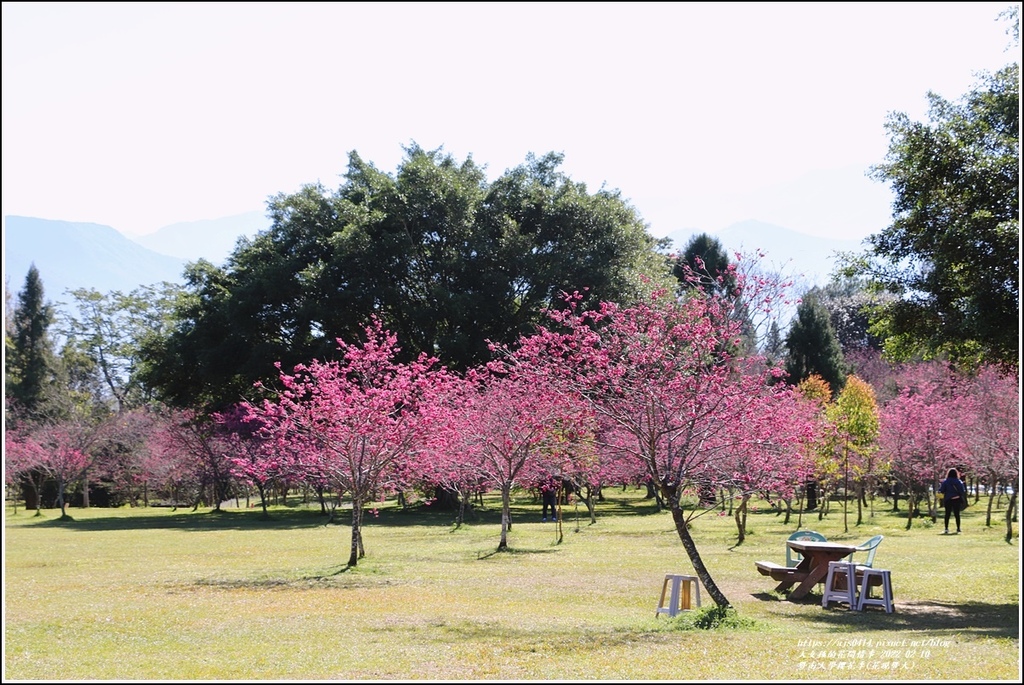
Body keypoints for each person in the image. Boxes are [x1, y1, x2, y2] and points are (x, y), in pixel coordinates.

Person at [938, 467, 966, 534]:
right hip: (956, 499)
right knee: (957, 514)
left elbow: (941, 490)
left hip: (948, 499)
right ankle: (958, 528)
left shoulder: (945, 482)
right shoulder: (959, 482)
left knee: (947, 514)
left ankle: (946, 528)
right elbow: (962, 491)